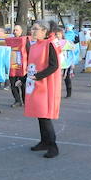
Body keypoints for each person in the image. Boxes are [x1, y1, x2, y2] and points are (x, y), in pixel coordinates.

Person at [24, 22, 61, 157]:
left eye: (36, 29)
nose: (32, 31)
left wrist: (38, 77)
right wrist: (22, 79)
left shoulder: (49, 44)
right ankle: (44, 142)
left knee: (44, 116)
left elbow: (54, 66)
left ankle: (53, 146)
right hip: (35, 85)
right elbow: (31, 66)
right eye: (32, 29)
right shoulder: (34, 45)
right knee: (39, 115)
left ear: (44, 31)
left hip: (45, 85)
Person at [5, 24, 28, 107]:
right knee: (13, 84)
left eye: (17, 30)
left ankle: (26, 101)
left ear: (21, 31)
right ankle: (17, 100)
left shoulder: (25, 40)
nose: (15, 32)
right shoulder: (9, 40)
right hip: (12, 66)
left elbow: (29, 52)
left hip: (23, 66)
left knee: (23, 84)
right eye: (14, 30)